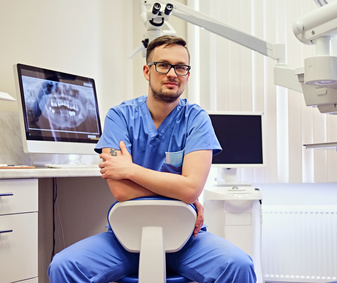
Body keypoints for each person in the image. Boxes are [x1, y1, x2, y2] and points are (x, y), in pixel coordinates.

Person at [48, 35, 257, 283]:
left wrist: (130, 169)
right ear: (147, 71)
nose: (172, 73)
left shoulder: (196, 120)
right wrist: (177, 189)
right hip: (125, 238)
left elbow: (191, 189)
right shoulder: (120, 117)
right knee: (63, 267)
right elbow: (120, 190)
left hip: (187, 238)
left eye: (180, 67)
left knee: (240, 266)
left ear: (187, 75)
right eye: (163, 65)